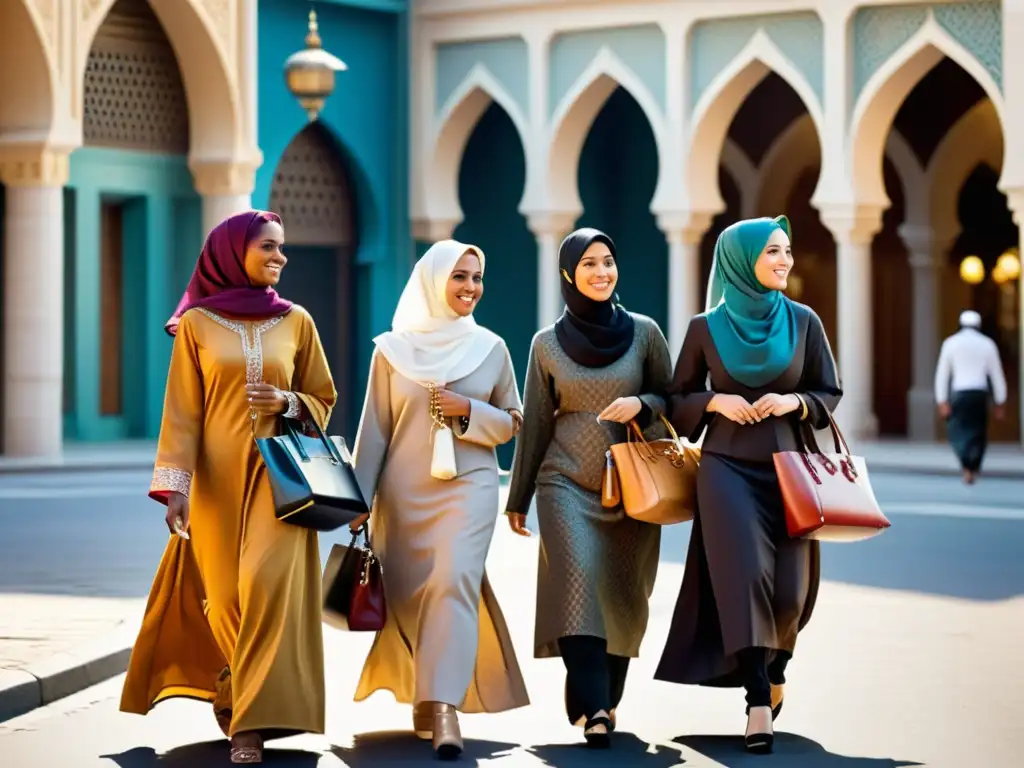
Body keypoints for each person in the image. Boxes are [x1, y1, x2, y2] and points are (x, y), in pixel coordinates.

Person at [119, 210, 337, 765]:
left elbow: (324, 398)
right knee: (226, 600)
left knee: (264, 587)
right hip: (215, 485)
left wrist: (287, 403)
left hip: (281, 482)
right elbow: (183, 412)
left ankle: (248, 725)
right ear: (231, 250)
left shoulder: (297, 322)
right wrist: (176, 487)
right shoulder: (197, 324)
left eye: (283, 248)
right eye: (268, 246)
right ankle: (234, 692)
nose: (280, 257)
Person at [653, 216, 841, 755]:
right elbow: (675, 399)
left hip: (791, 469)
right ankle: (758, 700)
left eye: (787, 251)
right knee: (743, 579)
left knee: (790, 591)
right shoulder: (704, 328)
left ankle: (776, 665)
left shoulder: (804, 323)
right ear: (742, 261)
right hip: (726, 469)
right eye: (772, 253)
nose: (784, 261)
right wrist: (714, 401)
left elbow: (828, 390)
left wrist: (795, 402)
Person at [350, 240, 529, 761]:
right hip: (403, 498)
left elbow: (513, 422)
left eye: (477, 277)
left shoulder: (492, 348)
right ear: (433, 281)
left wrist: (467, 409)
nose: (470, 287)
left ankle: (446, 706)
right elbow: (375, 433)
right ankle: (427, 693)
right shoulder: (392, 352)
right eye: (459, 277)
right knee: (412, 595)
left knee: (452, 582)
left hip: (469, 489)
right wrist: (359, 500)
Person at [505, 228, 672, 748]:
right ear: (568, 274)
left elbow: (674, 398)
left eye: (608, 262)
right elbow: (535, 423)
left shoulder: (644, 333)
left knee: (624, 594)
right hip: (566, 482)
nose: (602, 272)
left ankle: (599, 690)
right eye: (589, 265)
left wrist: (643, 404)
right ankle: (597, 706)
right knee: (577, 582)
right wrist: (520, 497)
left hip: (633, 485)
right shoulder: (546, 344)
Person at [934, 309, 1007, 484]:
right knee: (978, 431)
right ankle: (973, 465)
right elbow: (996, 375)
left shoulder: (951, 343)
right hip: (979, 394)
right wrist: (1000, 401)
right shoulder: (987, 344)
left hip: (960, 393)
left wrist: (942, 400)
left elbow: (942, 374)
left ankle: (966, 466)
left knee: (957, 430)